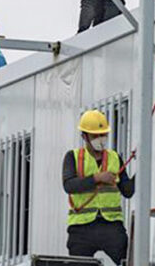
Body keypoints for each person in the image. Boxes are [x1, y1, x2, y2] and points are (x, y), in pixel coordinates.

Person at [62, 110, 134, 265]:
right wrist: (97, 178)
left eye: (103, 135)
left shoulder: (115, 158)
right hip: (81, 227)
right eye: (95, 136)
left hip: (111, 225)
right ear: (84, 136)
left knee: (126, 261)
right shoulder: (73, 157)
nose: (100, 139)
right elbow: (69, 185)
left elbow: (127, 191)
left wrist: (140, 172)